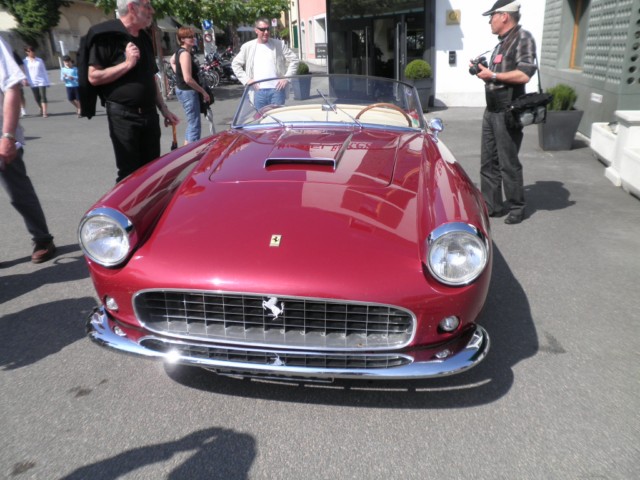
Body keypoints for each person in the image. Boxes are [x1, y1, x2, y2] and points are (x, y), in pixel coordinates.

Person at [80, 0, 179, 182]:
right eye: (147, 6)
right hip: (123, 116)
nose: (152, 10)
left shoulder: (144, 37)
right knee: (129, 174)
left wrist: (164, 109)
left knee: (152, 169)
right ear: (132, 7)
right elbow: (93, 77)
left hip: (149, 114)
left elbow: (150, 77)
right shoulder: (107, 36)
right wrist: (127, 64)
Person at [473, 0, 537, 225]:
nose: (489, 21)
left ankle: (517, 207)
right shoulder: (501, 44)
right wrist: (484, 71)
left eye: (492, 16)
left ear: (504, 16)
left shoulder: (523, 38)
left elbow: (525, 74)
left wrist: (492, 75)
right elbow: (497, 76)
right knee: (488, 161)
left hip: (508, 109)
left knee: (507, 162)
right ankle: (492, 205)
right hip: (491, 108)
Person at [0, 36, 56, 263]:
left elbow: (12, 86)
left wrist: (7, 135)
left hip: (2, 137)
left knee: (18, 192)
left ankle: (43, 239)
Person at [231, 18, 299, 110]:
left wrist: (287, 78)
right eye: (262, 29)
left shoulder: (279, 44)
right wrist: (247, 80)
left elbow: (294, 60)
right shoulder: (248, 47)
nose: (266, 32)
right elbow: (235, 64)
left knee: (277, 117)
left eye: (268, 29)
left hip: (277, 90)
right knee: (261, 118)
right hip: (258, 91)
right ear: (256, 30)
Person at [173, 27, 210, 145]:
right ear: (182, 39)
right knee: (194, 125)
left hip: (183, 90)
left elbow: (172, 61)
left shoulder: (180, 51)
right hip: (188, 91)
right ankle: (191, 151)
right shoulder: (185, 54)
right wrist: (203, 92)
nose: (193, 38)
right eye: (190, 37)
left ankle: (186, 149)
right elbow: (188, 79)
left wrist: (178, 75)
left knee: (192, 123)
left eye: (193, 36)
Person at [23, 46, 50, 118]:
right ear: (26, 52)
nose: (31, 52)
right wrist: (25, 80)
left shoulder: (39, 60)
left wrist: (47, 81)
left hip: (41, 80)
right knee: (37, 98)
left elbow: (44, 71)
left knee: (43, 96)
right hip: (32, 81)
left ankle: (44, 112)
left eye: (32, 50)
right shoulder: (25, 61)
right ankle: (41, 108)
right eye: (29, 51)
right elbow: (24, 72)